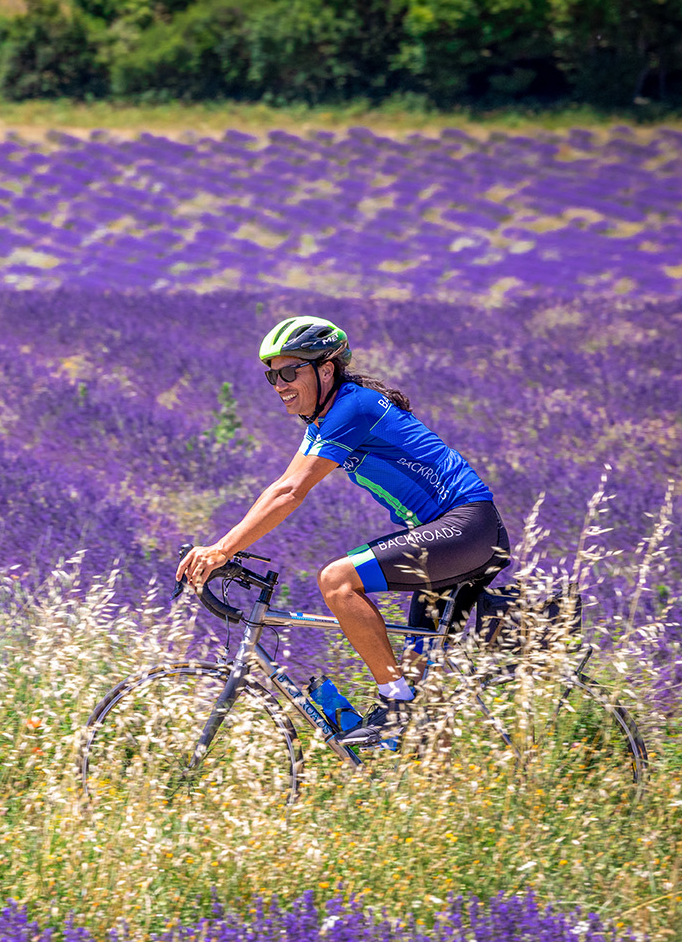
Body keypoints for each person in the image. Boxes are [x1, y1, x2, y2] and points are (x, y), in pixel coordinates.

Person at [176, 316, 509, 745]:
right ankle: (433, 778)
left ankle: (394, 704)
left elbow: (291, 492)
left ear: (326, 369)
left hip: (466, 530)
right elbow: (280, 486)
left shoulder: (353, 407)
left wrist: (221, 550)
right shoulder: (327, 418)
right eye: (271, 375)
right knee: (420, 692)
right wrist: (224, 546)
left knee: (337, 581)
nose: (279, 384)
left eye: (290, 371)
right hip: (459, 537)